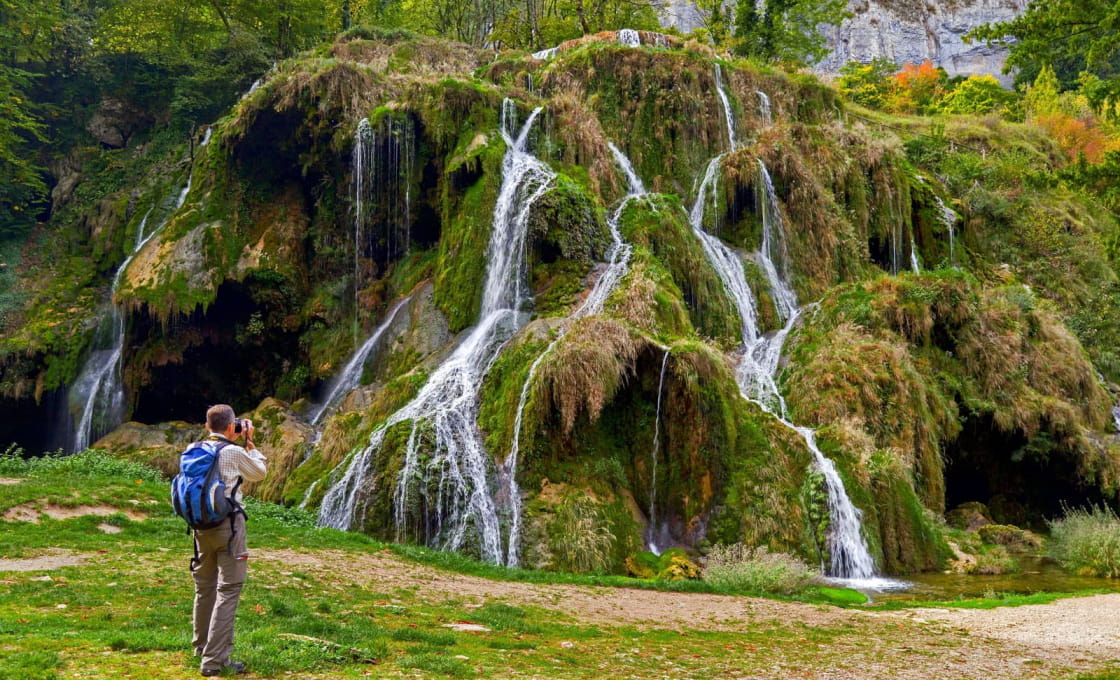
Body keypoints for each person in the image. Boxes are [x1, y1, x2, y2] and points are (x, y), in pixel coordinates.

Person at [192, 404, 267, 677]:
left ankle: (201, 647)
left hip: (200, 527)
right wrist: (250, 443)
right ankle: (214, 661)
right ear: (231, 426)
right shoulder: (233, 452)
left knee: (205, 589)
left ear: (206, 425)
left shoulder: (194, 449)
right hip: (229, 528)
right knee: (228, 590)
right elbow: (259, 473)